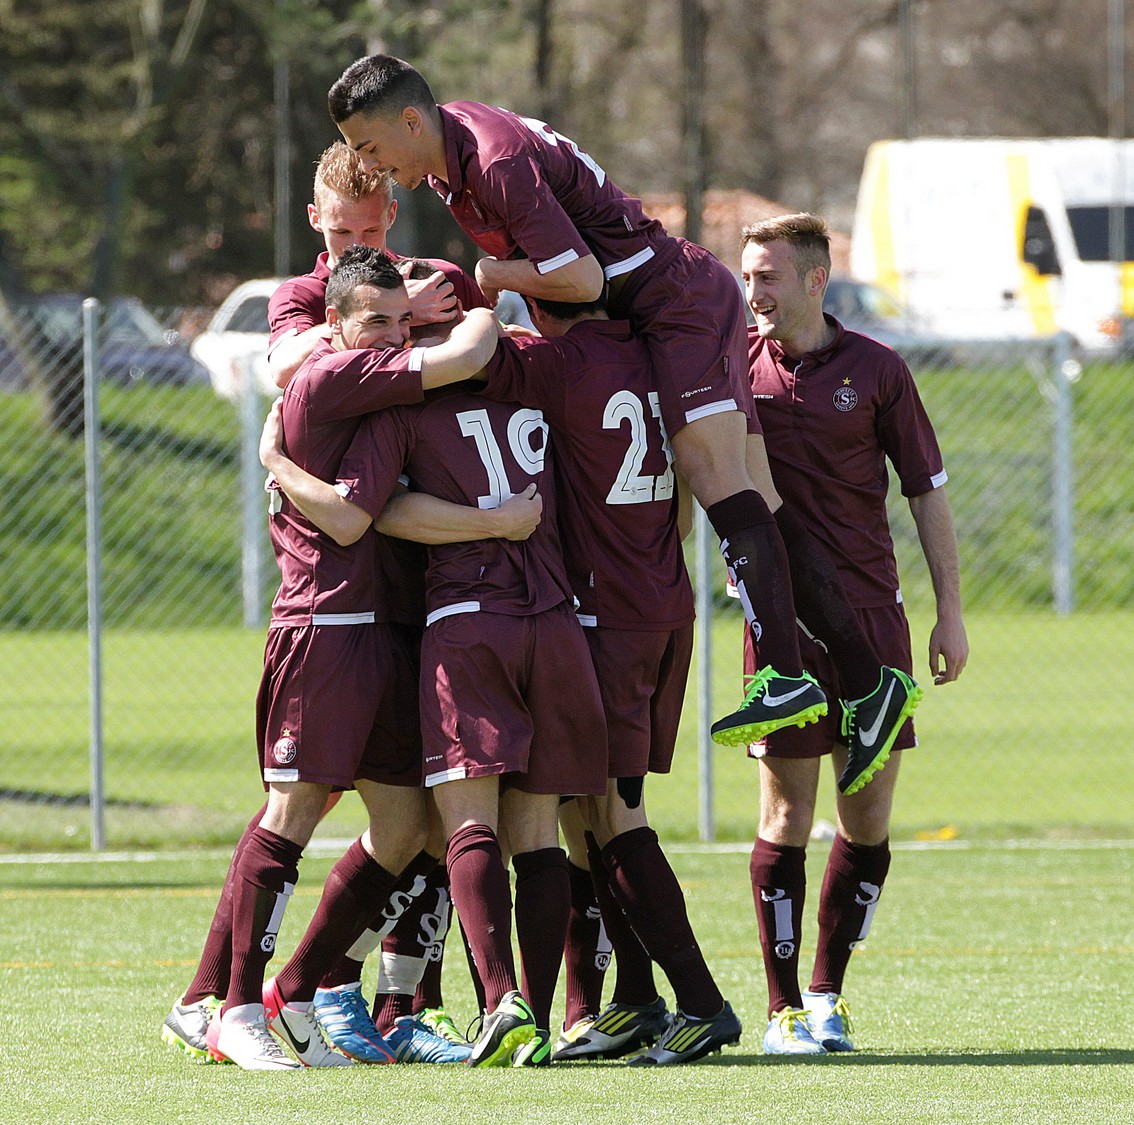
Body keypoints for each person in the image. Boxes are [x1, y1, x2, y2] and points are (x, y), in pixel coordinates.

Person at [324, 55, 922, 767]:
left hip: (678, 302)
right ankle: (866, 680)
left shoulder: (494, 161)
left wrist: (489, 276)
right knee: (755, 496)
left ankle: (788, 676)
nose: (374, 165)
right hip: (662, 309)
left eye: (370, 147)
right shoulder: (456, 160)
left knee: (719, 481)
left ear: (412, 121)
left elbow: (580, 275)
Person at [265, 293, 743, 1067]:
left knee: (469, 823)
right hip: (562, 621)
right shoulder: (540, 391)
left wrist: (279, 465)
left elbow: (369, 514)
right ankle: (550, 1019)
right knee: (543, 831)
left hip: (470, 620)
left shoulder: (402, 407)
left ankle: (501, 1004)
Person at [201, 247, 498, 1070]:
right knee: (291, 811)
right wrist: (487, 298)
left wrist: (280, 465)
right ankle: (231, 1009)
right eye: (376, 322)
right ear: (333, 326)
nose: (392, 339)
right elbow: (346, 522)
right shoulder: (335, 377)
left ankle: (299, 992)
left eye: (402, 322)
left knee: (405, 824)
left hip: (382, 632)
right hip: (324, 627)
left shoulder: (373, 391)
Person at [737, 213, 967, 1055]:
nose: (753, 292)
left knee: (865, 818)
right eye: (747, 275)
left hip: (876, 622)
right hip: (784, 633)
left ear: (813, 280)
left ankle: (829, 991)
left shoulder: (877, 369)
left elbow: (926, 491)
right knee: (786, 811)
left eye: (767, 276)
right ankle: (782, 1008)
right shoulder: (735, 370)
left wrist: (949, 609)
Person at [268, 140, 486, 386]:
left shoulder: (438, 280)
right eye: (342, 232)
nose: (357, 246)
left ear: (391, 215)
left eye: (371, 230)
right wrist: (394, 308)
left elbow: (504, 347)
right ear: (315, 218)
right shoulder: (301, 295)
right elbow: (283, 370)